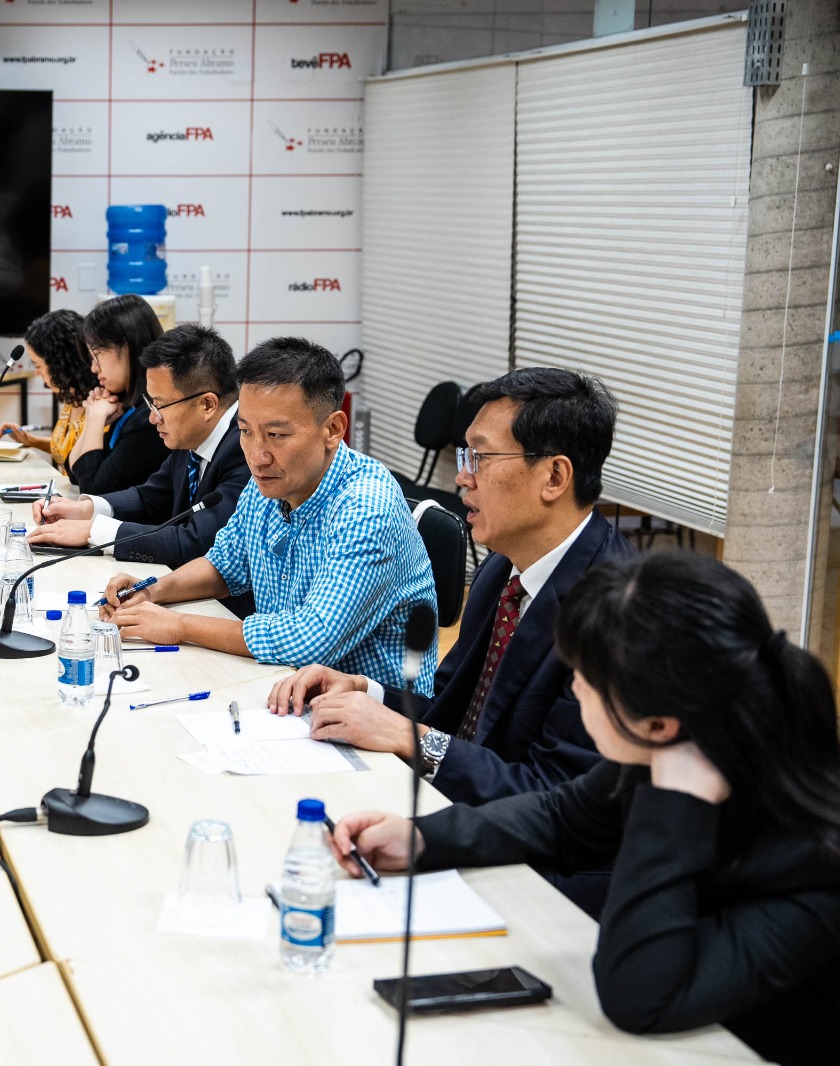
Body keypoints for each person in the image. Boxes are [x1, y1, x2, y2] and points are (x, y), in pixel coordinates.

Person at [330, 552, 840, 1066]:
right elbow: (560, 817)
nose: (574, 689)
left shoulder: (812, 857)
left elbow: (639, 995)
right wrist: (423, 838)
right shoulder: (687, 742)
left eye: (586, 681)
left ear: (659, 724)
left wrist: (677, 797)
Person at [268, 369, 624, 847]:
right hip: (456, 807)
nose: (462, 476)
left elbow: (555, 797)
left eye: (480, 456)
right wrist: (366, 692)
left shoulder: (615, 613)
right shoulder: (502, 569)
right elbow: (451, 704)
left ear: (555, 476)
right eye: (465, 454)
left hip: (537, 861)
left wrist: (409, 737)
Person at [101, 337, 436, 689]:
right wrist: (153, 591)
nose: (258, 456)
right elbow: (224, 564)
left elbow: (311, 640)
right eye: (246, 431)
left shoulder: (367, 506)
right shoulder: (270, 481)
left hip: (373, 715)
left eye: (276, 434)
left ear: (333, 429)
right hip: (281, 684)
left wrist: (179, 626)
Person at [27, 323, 250, 579]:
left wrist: (94, 531)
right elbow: (150, 497)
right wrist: (85, 509)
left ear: (207, 404)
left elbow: (198, 542)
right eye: (150, 404)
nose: (153, 418)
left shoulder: (245, 447)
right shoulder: (190, 432)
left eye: (161, 405)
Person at [67, 294, 170, 495]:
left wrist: (96, 418)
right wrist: (91, 418)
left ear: (129, 346)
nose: (93, 368)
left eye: (98, 355)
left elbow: (92, 490)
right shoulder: (127, 403)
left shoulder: (151, 416)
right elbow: (75, 472)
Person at [0, 308, 96, 471]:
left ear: (60, 363)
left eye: (39, 365)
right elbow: (66, 448)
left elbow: (88, 458)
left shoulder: (98, 404)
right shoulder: (72, 397)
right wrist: (29, 440)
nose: (37, 373)